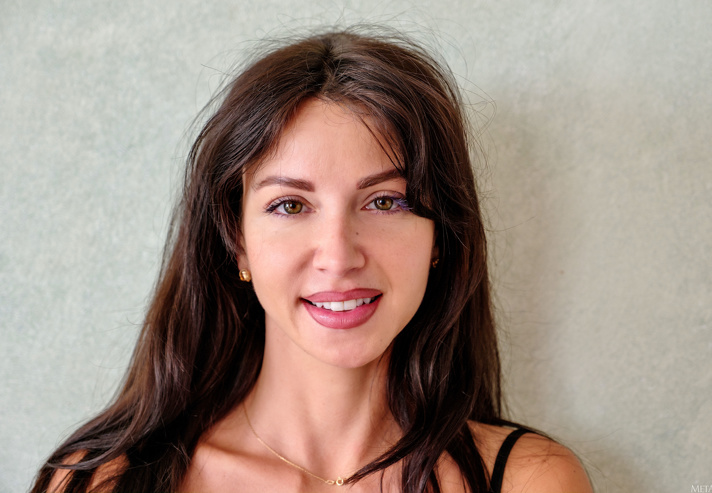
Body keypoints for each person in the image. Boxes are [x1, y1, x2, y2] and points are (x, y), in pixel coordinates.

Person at [32, 28, 592, 493]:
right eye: (291, 205)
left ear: (440, 235)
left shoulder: (530, 481)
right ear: (236, 239)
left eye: (384, 201)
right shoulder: (103, 482)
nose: (339, 256)